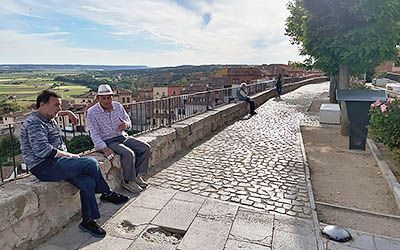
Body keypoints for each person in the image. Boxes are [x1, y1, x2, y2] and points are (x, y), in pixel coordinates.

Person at [19, 90, 129, 238]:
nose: (59, 108)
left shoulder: (47, 115)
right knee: (90, 163)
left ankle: (88, 221)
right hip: (44, 166)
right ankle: (107, 193)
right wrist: (71, 156)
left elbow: (57, 113)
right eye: (56, 105)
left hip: (58, 162)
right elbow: (43, 151)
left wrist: (68, 113)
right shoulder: (34, 123)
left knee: (88, 182)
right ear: (43, 105)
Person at [87, 84, 150, 194]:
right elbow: (94, 134)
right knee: (128, 153)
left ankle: (137, 176)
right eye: (104, 98)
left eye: (109, 97)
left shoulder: (118, 106)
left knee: (145, 148)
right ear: (98, 98)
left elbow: (128, 121)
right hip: (107, 140)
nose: (107, 100)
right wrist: (104, 148)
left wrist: (125, 125)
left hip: (122, 136)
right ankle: (128, 181)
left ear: (112, 96)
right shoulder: (92, 112)